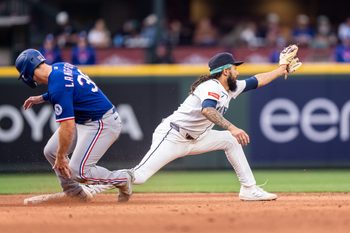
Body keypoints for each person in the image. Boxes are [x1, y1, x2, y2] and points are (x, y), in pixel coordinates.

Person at [132, 45, 302, 201]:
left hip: (198, 138)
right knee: (139, 177)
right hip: (174, 136)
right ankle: (104, 182)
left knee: (231, 140)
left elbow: (257, 80)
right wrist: (232, 127)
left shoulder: (229, 88)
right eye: (235, 68)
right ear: (226, 71)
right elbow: (207, 110)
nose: (237, 72)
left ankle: (249, 189)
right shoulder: (211, 86)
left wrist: (281, 69)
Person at [15, 49, 133, 202]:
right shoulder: (60, 66)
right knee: (51, 151)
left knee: (78, 171)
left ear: (28, 72)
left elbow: (68, 126)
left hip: (103, 123)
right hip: (86, 120)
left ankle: (122, 178)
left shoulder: (57, 86)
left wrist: (62, 156)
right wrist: (43, 97)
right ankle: (75, 192)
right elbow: (69, 89)